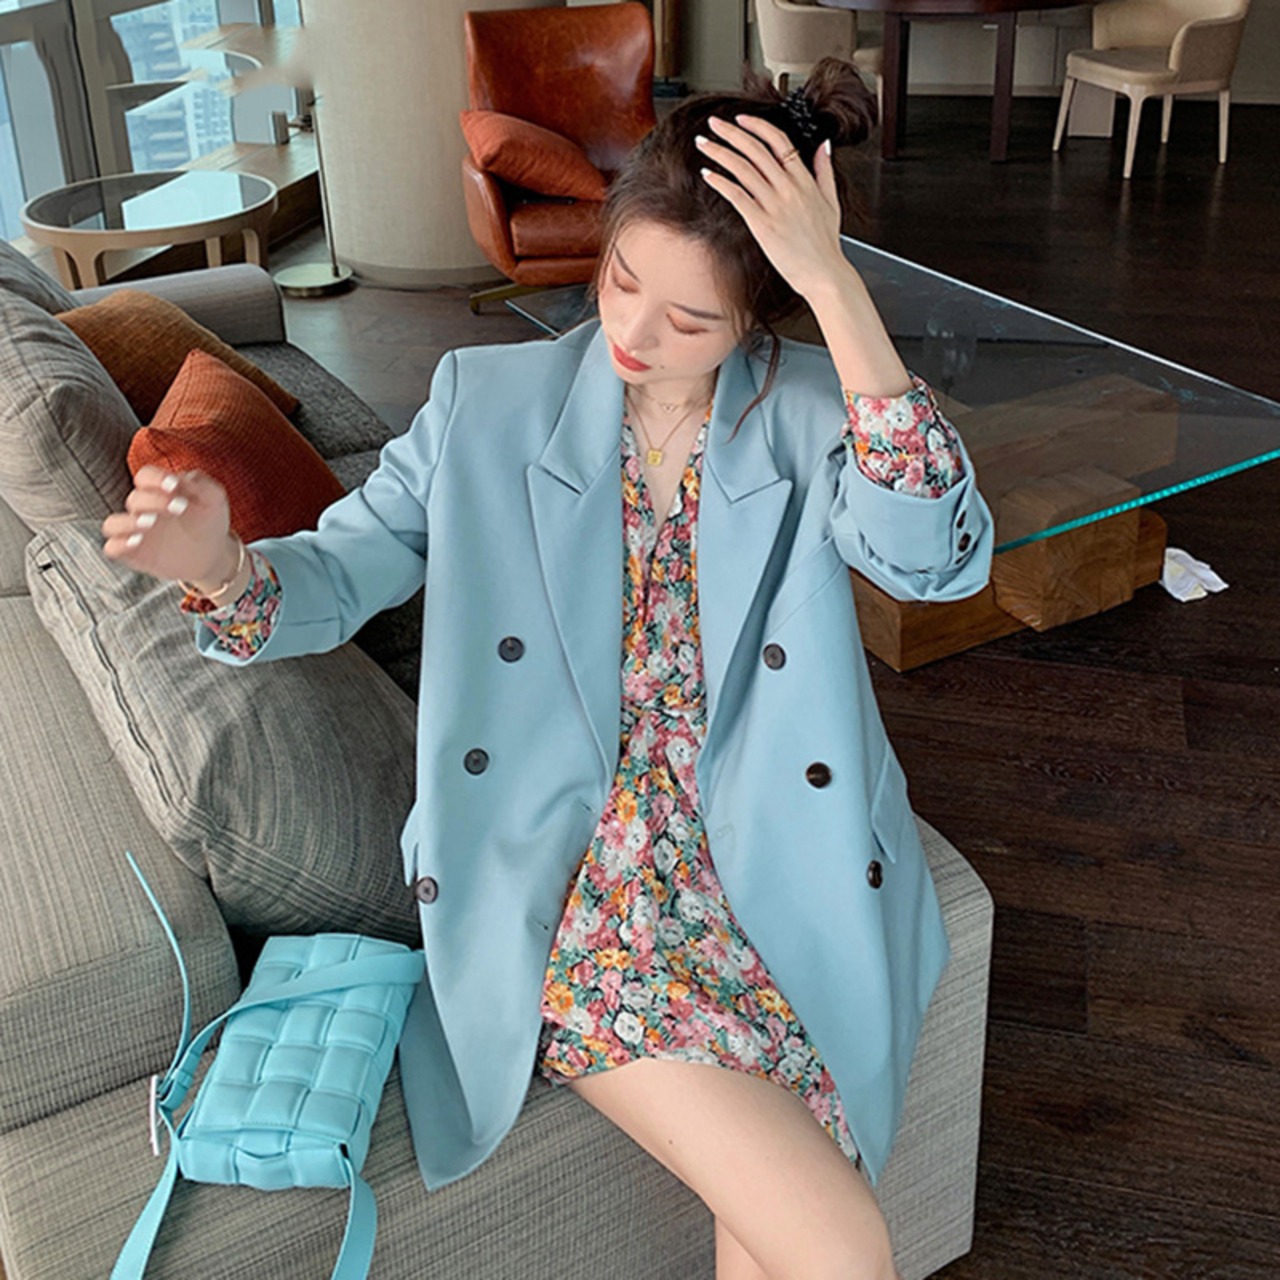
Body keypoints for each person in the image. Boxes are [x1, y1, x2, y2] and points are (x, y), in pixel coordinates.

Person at [102, 59, 991, 1280]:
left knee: (788, 1229)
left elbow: (930, 561)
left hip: (769, 845)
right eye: (621, 280)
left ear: (758, 319)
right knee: (838, 1240)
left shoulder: (809, 410)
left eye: (689, 320)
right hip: (576, 867)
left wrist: (834, 283)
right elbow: (346, 567)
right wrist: (221, 568)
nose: (632, 334)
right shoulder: (487, 401)